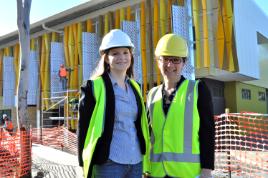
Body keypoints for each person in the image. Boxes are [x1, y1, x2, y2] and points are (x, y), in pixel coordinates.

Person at [78, 29, 150, 178]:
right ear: (106, 58)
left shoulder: (135, 87)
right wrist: (82, 162)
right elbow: (83, 127)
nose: (122, 57)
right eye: (115, 53)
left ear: (131, 55)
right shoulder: (93, 86)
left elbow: (139, 124)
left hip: (136, 161)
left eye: (125, 52)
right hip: (108, 163)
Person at [145, 34, 215, 178]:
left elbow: (207, 132)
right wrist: (146, 168)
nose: (169, 65)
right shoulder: (152, 94)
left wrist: (207, 169)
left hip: (187, 173)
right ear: (158, 62)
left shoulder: (197, 89)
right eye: (165, 59)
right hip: (157, 172)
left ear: (184, 62)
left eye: (175, 60)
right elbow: (149, 135)